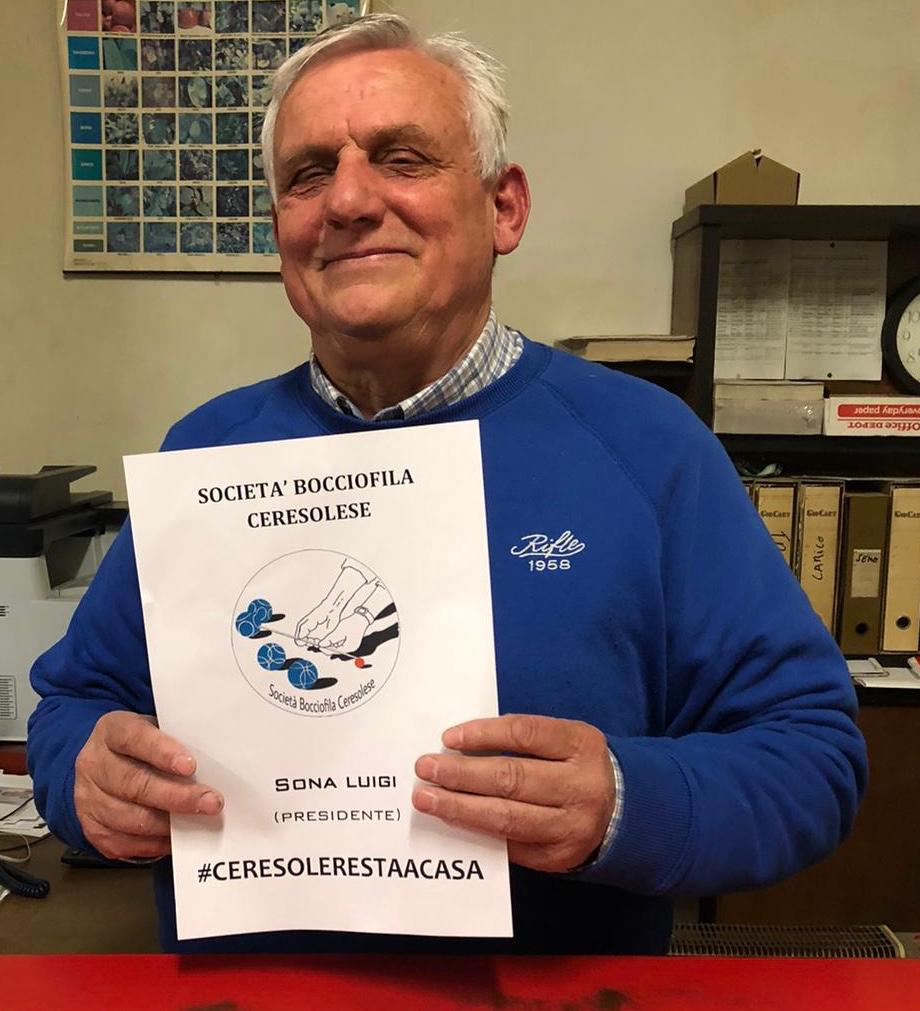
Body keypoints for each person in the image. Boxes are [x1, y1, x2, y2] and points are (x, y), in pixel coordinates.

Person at [28, 14, 866, 956]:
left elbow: (813, 756)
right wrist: (86, 776)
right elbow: (71, 705)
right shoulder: (205, 454)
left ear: (504, 208)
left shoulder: (650, 448)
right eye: (309, 174)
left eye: (402, 158)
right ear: (281, 232)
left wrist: (626, 803)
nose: (349, 200)